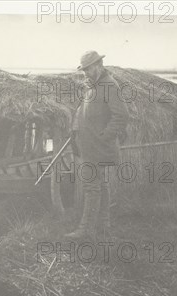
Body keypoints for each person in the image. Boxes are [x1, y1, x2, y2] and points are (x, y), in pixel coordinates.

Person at [65, 51, 128, 241]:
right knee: (100, 185)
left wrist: (104, 136)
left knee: (92, 187)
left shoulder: (109, 86)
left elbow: (122, 115)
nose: (85, 73)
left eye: (88, 69)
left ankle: (86, 230)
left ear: (99, 65)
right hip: (89, 145)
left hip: (97, 146)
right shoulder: (94, 86)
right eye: (83, 70)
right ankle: (103, 225)